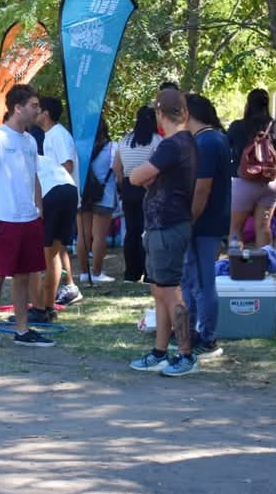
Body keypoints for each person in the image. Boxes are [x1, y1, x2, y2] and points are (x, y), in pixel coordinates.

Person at [0, 84, 53, 353]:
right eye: (33, 105)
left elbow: (35, 176)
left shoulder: (30, 140)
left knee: (23, 275)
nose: (38, 111)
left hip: (28, 219)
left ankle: (22, 329)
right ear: (17, 108)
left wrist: (39, 209)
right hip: (3, 219)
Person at [129, 88, 198, 377]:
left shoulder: (173, 145)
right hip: (162, 224)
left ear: (160, 113)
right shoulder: (185, 142)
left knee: (170, 292)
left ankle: (185, 354)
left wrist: (146, 175)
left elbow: (136, 176)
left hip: (169, 225)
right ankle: (160, 352)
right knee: (159, 290)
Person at [182, 94, 231, 360]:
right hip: (209, 222)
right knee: (196, 282)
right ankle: (195, 334)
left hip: (203, 223)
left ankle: (206, 338)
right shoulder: (212, 139)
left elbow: (202, 188)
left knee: (200, 283)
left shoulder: (208, 141)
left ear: (188, 113)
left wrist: (188, 220)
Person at [227, 88, 276, 248]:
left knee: (236, 228)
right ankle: (265, 268)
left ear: (248, 104)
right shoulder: (275, 126)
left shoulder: (237, 126)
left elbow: (225, 147)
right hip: (269, 183)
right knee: (263, 227)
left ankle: (239, 267)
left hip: (243, 183)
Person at [36, 97, 79, 301]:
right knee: (58, 246)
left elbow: (67, 165)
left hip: (60, 192)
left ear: (46, 113)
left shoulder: (58, 135)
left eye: (38, 109)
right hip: (57, 192)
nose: (35, 113)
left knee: (54, 246)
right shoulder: (49, 135)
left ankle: (57, 293)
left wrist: (49, 174)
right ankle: (68, 285)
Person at [113, 107, 162, 283]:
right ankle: (149, 273)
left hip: (128, 187)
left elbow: (116, 167)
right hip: (148, 188)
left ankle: (131, 273)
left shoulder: (125, 141)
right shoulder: (157, 141)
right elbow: (159, 167)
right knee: (148, 230)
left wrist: (123, 185)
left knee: (131, 231)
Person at [34, 154, 79, 322]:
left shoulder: (20, 158)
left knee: (40, 254)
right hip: (70, 190)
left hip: (50, 194)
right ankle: (49, 307)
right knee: (56, 251)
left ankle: (39, 309)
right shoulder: (44, 158)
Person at [77, 118, 118, 283]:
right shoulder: (111, 147)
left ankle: (83, 272)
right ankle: (97, 272)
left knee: (83, 235)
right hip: (104, 195)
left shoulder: (79, 147)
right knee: (99, 236)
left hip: (83, 195)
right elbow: (117, 168)